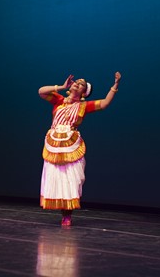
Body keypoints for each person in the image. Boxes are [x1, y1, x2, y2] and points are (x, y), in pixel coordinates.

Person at [38, 72, 121, 226]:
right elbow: (41, 91)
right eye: (76, 82)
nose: (77, 83)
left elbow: (104, 103)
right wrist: (61, 87)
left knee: (71, 179)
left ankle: (67, 214)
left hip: (71, 144)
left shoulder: (83, 106)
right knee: (55, 176)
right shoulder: (59, 100)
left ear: (84, 92)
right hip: (54, 144)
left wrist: (115, 85)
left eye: (81, 84)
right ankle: (60, 207)